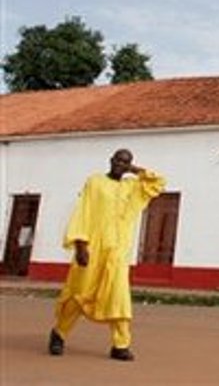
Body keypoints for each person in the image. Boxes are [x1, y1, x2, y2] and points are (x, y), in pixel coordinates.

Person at [47, 148, 165, 361]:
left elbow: (158, 183)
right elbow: (83, 211)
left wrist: (135, 171)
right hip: (92, 249)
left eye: (126, 162)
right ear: (111, 160)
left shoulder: (133, 187)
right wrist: (81, 245)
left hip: (118, 253)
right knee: (79, 295)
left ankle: (120, 345)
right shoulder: (95, 182)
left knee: (118, 298)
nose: (121, 164)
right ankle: (59, 333)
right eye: (119, 160)